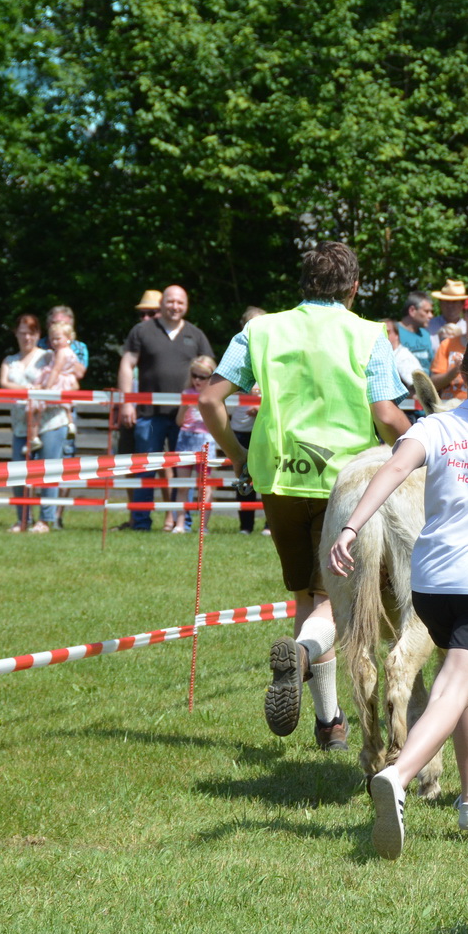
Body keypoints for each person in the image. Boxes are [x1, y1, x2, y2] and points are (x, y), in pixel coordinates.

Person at [333, 327, 468, 858]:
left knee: (467, 681)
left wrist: (350, 528)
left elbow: (389, 469)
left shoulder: (438, 424)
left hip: (432, 584)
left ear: (463, 375)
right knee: (455, 688)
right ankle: (400, 773)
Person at [195, 241, 412, 751]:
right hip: (349, 483)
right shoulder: (368, 334)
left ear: (304, 283)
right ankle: (301, 654)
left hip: (278, 475)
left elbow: (209, 398)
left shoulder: (261, 328)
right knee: (333, 604)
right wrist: (417, 442)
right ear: (354, 288)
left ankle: (329, 721)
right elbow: (384, 414)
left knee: (307, 595)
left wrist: (238, 454)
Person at [116, 285, 214, 531]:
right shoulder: (142, 330)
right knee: (145, 469)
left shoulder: (196, 334)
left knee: (184, 474)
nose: (175, 307)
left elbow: (211, 369)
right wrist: (127, 400)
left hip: (187, 420)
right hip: (149, 416)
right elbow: (127, 364)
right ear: (162, 303)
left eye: (180, 302)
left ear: (186, 305)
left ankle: (181, 522)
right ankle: (140, 523)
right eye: (170, 301)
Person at [0, 313, 62, 533]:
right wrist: (30, 390)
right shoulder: (10, 360)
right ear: (16, 334)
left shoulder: (48, 356)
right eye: (22, 332)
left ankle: (45, 520)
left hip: (50, 420)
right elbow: (3, 383)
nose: (26, 337)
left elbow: (65, 372)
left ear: (38, 334)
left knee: (48, 470)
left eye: (31, 333)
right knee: (18, 471)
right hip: (20, 424)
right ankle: (22, 518)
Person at [227, 306, 265, 533]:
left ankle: (271, 525)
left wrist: (261, 407)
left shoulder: (273, 353)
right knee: (244, 477)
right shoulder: (237, 353)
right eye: (252, 325)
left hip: (265, 426)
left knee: (270, 475)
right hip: (241, 428)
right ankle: (245, 526)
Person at [172, 356, 218, 533]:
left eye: (203, 377)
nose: (197, 380)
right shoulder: (187, 393)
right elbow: (178, 421)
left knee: (205, 486)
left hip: (205, 438)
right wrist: (185, 406)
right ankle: (180, 524)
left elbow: (218, 423)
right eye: (194, 375)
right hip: (185, 438)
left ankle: (203, 526)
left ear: (211, 378)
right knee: (182, 485)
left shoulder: (213, 396)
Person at [430, 294, 468, 400]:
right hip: (451, 408)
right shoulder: (447, 344)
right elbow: (432, 384)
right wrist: (455, 371)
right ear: (464, 315)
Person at [394, 291, 435, 364]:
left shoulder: (425, 335)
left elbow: (432, 366)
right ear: (412, 311)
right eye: (426, 311)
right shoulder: (394, 332)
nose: (431, 316)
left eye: (431, 312)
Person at [427, 278, 468, 346]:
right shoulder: (428, 326)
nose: (450, 306)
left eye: (454, 302)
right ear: (440, 303)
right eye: (447, 302)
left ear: (462, 305)